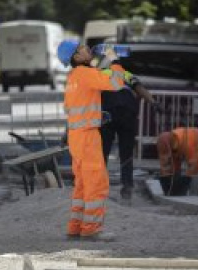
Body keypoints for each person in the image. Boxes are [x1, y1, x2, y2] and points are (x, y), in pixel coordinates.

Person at [57, 39, 130, 241]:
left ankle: (75, 226)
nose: (88, 50)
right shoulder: (85, 74)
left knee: (82, 184)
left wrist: (98, 115)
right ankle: (91, 229)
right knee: (96, 183)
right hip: (88, 136)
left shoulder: (73, 76)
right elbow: (116, 83)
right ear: (76, 56)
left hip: (76, 136)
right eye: (83, 48)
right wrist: (114, 61)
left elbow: (78, 106)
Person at [100, 65, 161, 200]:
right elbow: (140, 89)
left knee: (103, 151)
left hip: (108, 111)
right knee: (126, 151)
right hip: (128, 111)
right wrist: (154, 102)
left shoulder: (101, 73)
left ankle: (99, 187)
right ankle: (127, 186)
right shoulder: (126, 74)